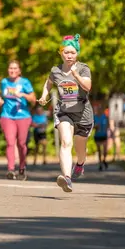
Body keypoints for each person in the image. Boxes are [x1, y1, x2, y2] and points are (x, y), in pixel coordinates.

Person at [39, 34, 93, 193]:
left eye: (73, 53)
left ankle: (80, 164)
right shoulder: (55, 71)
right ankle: (67, 178)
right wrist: (44, 95)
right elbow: (48, 83)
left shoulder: (83, 68)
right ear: (60, 52)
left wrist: (76, 75)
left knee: (80, 149)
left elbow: (88, 87)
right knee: (65, 142)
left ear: (77, 53)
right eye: (66, 52)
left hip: (83, 113)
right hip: (64, 112)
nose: (69, 55)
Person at [0, 60, 36, 180]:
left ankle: (22, 168)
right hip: (7, 116)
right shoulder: (4, 82)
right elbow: (1, 96)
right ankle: (10, 169)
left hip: (23, 116)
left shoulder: (25, 82)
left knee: (21, 144)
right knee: (10, 142)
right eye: (10, 68)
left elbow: (33, 100)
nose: (12, 71)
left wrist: (23, 95)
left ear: (19, 71)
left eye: (15, 68)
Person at [93, 104, 109, 170]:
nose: (99, 110)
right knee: (99, 150)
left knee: (105, 150)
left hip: (104, 135)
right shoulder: (94, 117)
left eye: (100, 109)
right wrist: (95, 126)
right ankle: (100, 164)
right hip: (97, 136)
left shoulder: (104, 117)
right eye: (97, 109)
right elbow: (92, 126)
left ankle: (104, 160)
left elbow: (108, 125)